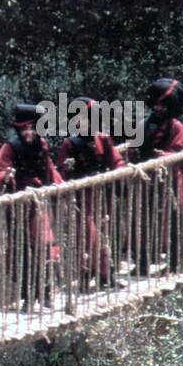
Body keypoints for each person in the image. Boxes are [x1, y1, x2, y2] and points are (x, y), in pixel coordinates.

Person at [0, 103, 63, 308]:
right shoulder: (10, 147)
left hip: (38, 202)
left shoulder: (42, 144)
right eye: (25, 129)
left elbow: (49, 169)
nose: (29, 132)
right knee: (21, 249)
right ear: (18, 129)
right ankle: (28, 296)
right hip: (18, 205)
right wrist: (6, 175)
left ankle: (47, 292)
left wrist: (62, 187)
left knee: (44, 245)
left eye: (32, 128)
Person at [56, 97, 124, 288]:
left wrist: (121, 170)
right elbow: (59, 172)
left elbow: (116, 160)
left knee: (104, 231)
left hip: (102, 194)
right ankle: (94, 273)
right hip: (81, 198)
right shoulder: (70, 144)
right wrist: (66, 168)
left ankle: (102, 275)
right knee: (89, 235)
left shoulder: (103, 139)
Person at [131, 79, 183, 273]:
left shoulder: (177, 126)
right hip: (147, 178)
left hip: (172, 177)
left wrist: (163, 157)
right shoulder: (144, 124)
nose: (159, 108)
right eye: (156, 104)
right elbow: (134, 148)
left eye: (163, 105)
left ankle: (176, 262)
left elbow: (177, 150)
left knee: (174, 217)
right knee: (144, 218)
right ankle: (143, 262)